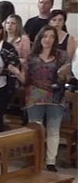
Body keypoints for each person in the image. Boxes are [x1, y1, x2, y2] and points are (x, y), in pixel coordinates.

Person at [9, 26, 72, 172]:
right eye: (45, 36)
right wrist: (17, 72)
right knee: (36, 129)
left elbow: (65, 79)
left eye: (51, 37)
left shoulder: (62, 56)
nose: (48, 40)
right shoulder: (32, 57)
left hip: (55, 97)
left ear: (55, 40)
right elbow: (25, 80)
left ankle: (50, 162)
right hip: (35, 97)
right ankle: (35, 158)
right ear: (40, 38)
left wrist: (63, 73)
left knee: (53, 129)